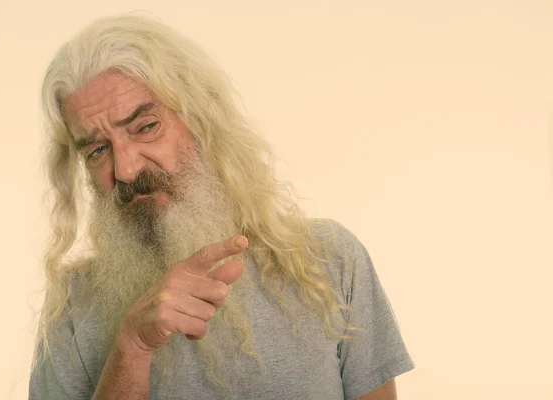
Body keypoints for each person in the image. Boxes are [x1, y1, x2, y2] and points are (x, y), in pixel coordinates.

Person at [28, 12, 415, 400]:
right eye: (98, 150)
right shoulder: (73, 307)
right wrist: (132, 345)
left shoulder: (329, 261)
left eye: (146, 127)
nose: (126, 169)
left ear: (202, 119)